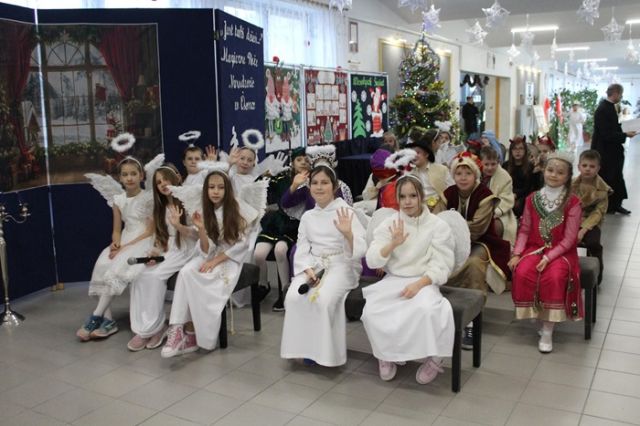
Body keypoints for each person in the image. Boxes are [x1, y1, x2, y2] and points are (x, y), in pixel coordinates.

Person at [161, 168, 264, 357]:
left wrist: (215, 261)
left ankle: (194, 334)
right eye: (211, 187)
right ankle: (177, 329)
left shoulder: (238, 208)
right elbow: (204, 247)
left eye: (220, 187)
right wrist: (183, 226)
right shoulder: (204, 209)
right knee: (186, 271)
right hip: (209, 254)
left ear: (227, 189)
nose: (215, 191)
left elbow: (241, 245)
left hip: (229, 258)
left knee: (201, 278)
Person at [362, 175, 455, 384]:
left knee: (427, 310)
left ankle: (434, 358)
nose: (408, 201)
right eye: (402, 197)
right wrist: (392, 244)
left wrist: (419, 285)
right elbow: (372, 259)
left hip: (424, 281)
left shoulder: (437, 225)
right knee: (372, 312)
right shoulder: (390, 223)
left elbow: (442, 264)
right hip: (393, 279)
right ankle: (386, 354)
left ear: (421, 196)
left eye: (413, 195)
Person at [280, 165, 366, 367]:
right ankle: (302, 349)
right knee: (293, 297)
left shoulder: (346, 212)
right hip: (314, 265)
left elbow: (361, 248)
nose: (319, 187)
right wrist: (307, 268)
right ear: (309, 187)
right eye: (315, 183)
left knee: (323, 300)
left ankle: (324, 354)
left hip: (341, 264)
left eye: (325, 183)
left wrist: (348, 234)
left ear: (334, 187)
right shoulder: (308, 216)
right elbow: (302, 247)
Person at [509, 152, 583, 353]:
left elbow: (569, 239)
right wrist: (517, 253)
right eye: (550, 170)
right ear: (543, 171)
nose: (554, 175)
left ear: (568, 176)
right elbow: (525, 230)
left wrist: (549, 257)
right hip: (534, 249)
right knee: (523, 271)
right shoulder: (532, 199)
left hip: (561, 253)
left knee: (554, 277)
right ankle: (538, 315)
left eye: (560, 172)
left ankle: (548, 330)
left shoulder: (573, 202)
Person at [77, 157, 154, 341]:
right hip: (126, 238)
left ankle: (95, 316)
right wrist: (116, 244)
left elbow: (150, 231)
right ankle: (108, 320)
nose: (129, 178)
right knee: (102, 264)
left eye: (133, 174)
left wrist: (125, 248)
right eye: (125, 175)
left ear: (141, 176)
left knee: (118, 267)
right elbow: (117, 230)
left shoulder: (148, 198)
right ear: (120, 178)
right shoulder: (118, 200)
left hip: (143, 240)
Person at [127, 163, 197, 351]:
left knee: (156, 276)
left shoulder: (187, 202)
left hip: (185, 248)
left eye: (166, 179)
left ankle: (156, 327)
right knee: (140, 275)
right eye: (158, 182)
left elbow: (198, 234)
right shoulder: (160, 207)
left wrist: (179, 226)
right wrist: (155, 251)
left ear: (175, 179)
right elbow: (160, 237)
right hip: (168, 249)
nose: (163, 184)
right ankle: (144, 329)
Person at [444, 152, 511, 348]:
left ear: (476, 175)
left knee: (473, 264)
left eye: (468, 173)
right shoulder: (447, 193)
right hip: (450, 242)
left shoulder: (485, 196)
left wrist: (451, 227)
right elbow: (438, 220)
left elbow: (477, 228)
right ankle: (444, 311)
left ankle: (471, 319)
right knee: (437, 260)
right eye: (459, 173)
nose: (463, 178)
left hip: (480, 242)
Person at [254, 148, 310, 311]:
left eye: (306, 160)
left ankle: (285, 290)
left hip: (295, 225)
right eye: (299, 160)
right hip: (276, 222)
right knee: (258, 254)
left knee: (280, 250)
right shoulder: (282, 178)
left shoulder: (313, 180)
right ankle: (263, 284)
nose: (303, 163)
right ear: (292, 162)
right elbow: (258, 187)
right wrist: (267, 174)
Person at [591, 83, 638, 215]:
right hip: (606, 151)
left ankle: (615, 204)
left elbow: (612, 127)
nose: (621, 97)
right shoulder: (603, 109)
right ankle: (609, 205)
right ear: (616, 93)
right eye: (621, 94)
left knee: (616, 176)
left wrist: (625, 128)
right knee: (609, 177)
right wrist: (625, 134)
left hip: (611, 150)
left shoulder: (609, 107)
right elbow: (606, 134)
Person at [571, 150, 612, 285]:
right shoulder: (571, 184)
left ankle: (597, 274)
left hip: (591, 222)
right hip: (572, 219)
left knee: (593, 243)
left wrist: (583, 230)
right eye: (584, 165)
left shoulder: (603, 190)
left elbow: (598, 213)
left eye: (592, 166)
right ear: (579, 167)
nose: (588, 169)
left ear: (598, 168)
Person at [406, 129, 454, 213]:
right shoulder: (410, 175)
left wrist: (438, 203)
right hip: (418, 211)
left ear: (426, 154)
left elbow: (452, 190)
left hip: (439, 210)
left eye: (418, 152)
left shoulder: (442, 170)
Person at [480, 146, 517, 245]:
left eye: (493, 164)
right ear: (481, 163)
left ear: (498, 162)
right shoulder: (476, 174)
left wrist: (492, 212)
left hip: (499, 213)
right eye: (486, 164)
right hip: (477, 210)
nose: (490, 167)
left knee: (494, 226)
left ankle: (493, 249)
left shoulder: (505, 177)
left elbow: (506, 199)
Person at [503, 136, 542, 218]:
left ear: (525, 151)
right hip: (508, 193)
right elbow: (503, 184)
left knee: (517, 205)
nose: (518, 151)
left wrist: (516, 195)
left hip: (523, 195)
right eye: (515, 149)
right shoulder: (505, 165)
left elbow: (529, 187)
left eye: (521, 148)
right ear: (511, 151)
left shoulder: (530, 167)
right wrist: (510, 194)